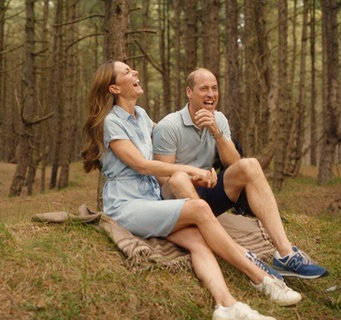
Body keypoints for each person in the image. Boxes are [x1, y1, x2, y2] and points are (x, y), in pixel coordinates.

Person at [82, 60, 302, 320]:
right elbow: (141, 165)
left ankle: (227, 305)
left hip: (153, 201)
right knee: (198, 208)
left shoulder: (140, 116)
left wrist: (204, 160)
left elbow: (165, 134)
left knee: (198, 240)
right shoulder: (111, 122)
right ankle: (261, 277)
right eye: (127, 72)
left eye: (133, 69)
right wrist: (192, 171)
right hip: (126, 205)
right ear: (114, 88)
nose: (135, 72)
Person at [152, 67, 328, 279]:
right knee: (179, 179)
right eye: (204, 89)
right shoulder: (169, 126)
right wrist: (194, 178)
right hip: (177, 201)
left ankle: (285, 253)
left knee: (250, 165)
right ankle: (239, 253)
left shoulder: (220, 120)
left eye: (214, 89)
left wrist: (216, 133)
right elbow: (162, 177)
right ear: (189, 92)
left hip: (206, 194)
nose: (211, 94)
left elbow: (234, 164)